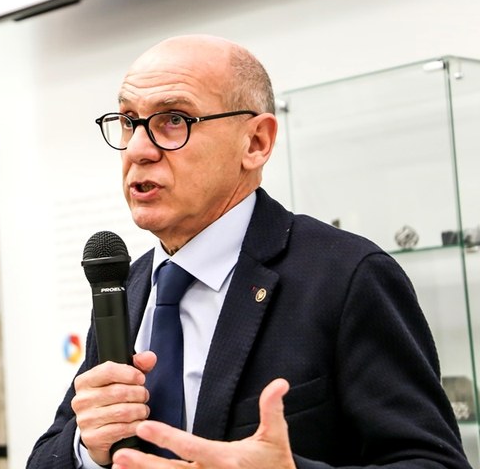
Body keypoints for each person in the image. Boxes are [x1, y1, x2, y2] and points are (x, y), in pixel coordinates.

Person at [26, 35, 472, 469]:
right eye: (128, 121)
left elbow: (433, 460)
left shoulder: (346, 277)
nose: (139, 150)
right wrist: (87, 448)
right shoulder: (124, 286)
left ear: (256, 142)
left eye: (174, 120)